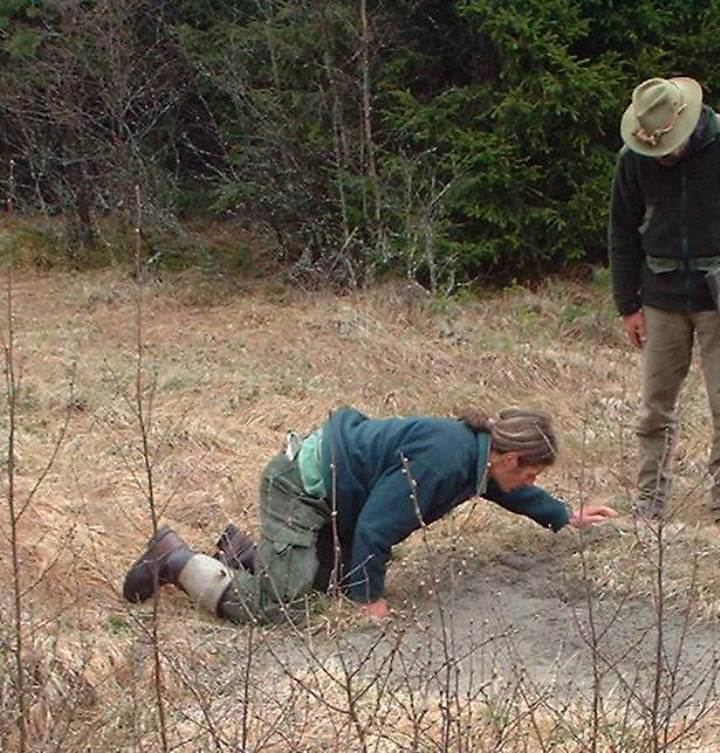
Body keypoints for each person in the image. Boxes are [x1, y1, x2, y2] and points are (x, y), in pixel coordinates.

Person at [123, 407, 618, 623]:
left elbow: (504, 491)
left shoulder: (474, 454)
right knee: (277, 609)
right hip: (299, 490)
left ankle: (243, 554)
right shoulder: (446, 460)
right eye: (531, 475)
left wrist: (562, 514)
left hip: (333, 500)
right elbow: (376, 528)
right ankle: (175, 559)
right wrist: (370, 599)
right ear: (511, 458)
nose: (529, 484)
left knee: (324, 585)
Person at [609, 76, 720, 522]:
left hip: (717, 297)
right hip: (660, 296)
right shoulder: (632, 158)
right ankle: (649, 501)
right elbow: (621, 231)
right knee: (655, 406)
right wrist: (627, 305)